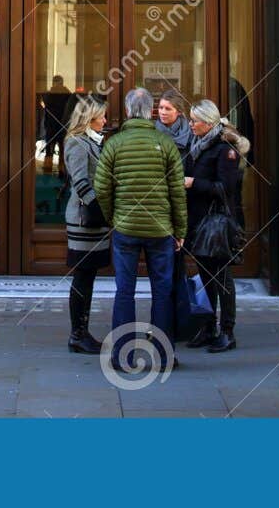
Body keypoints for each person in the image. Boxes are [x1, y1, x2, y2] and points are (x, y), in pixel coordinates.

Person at [93, 87, 187, 369]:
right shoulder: (165, 143)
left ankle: (121, 356)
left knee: (125, 291)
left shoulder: (114, 144)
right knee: (162, 291)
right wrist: (180, 229)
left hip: (126, 229)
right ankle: (164, 356)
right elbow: (177, 192)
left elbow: (101, 187)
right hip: (161, 229)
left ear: (126, 111)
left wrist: (113, 218)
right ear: (151, 111)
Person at [183, 99, 244, 353]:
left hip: (215, 222)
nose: (190, 124)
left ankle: (227, 331)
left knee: (221, 278)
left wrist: (193, 183)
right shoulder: (196, 143)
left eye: (195, 121)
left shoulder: (224, 148)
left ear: (208, 123)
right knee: (205, 275)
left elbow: (225, 189)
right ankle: (208, 327)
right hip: (198, 219)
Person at [61, 95, 111, 354]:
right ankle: (77, 333)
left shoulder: (94, 141)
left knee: (88, 275)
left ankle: (82, 331)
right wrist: (100, 209)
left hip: (94, 217)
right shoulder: (77, 143)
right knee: (83, 275)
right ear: (88, 117)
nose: (105, 120)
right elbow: (80, 182)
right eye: (101, 115)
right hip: (85, 218)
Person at [155, 90, 192, 164]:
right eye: (160, 107)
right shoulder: (152, 131)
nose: (163, 112)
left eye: (168, 109)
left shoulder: (190, 132)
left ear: (179, 111)